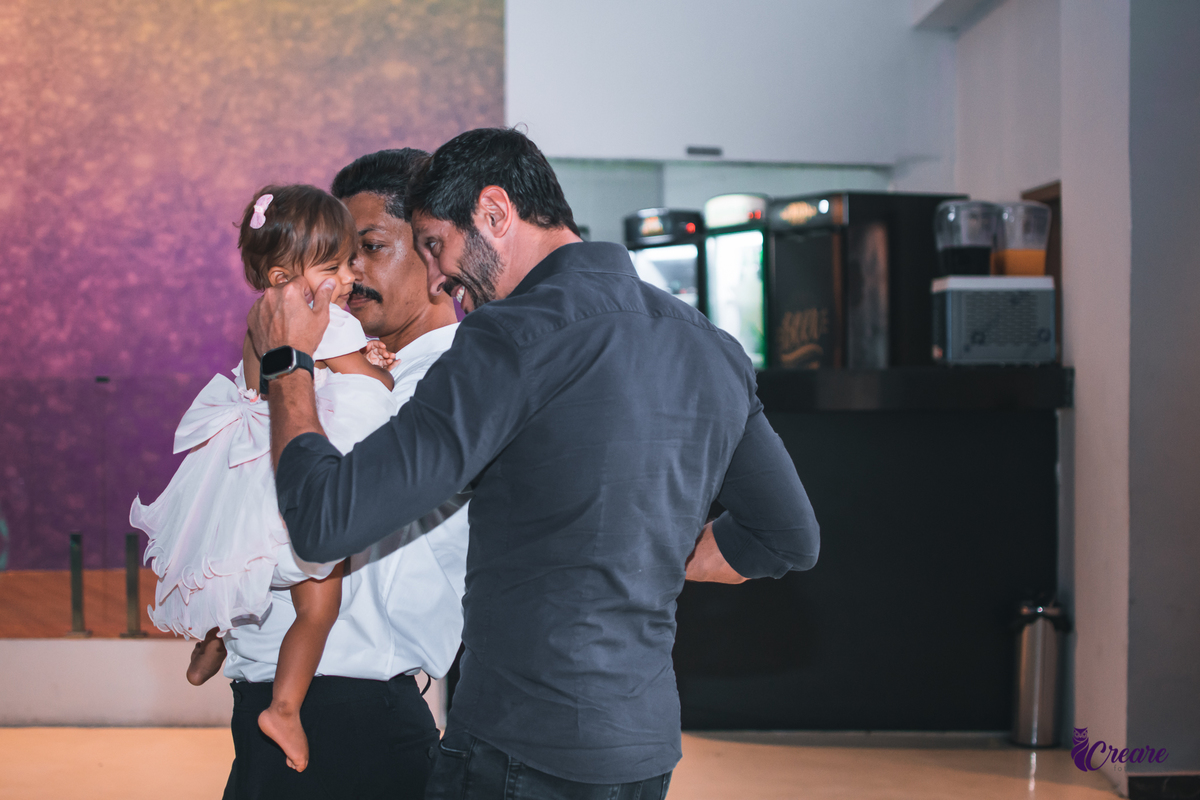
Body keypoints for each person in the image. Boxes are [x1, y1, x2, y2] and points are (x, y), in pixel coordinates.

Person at [248, 128, 820, 799]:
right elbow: (786, 536)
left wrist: (287, 363)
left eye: (436, 245)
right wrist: (654, 548)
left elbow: (325, 520)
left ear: (494, 212)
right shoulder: (710, 347)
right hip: (643, 754)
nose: (438, 277)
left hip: (519, 752)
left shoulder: (509, 337)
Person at [217, 151, 472, 800]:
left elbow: (329, 518)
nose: (350, 276)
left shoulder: (461, 383)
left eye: (371, 249)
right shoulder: (326, 366)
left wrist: (298, 363)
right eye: (335, 256)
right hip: (281, 698)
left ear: (438, 253)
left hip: (359, 703)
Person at [132, 184, 396, 774]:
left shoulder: (260, 318)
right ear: (282, 277)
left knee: (237, 560)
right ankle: (284, 707)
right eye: (334, 266)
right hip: (291, 477)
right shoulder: (322, 321)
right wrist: (379, 369)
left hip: (247, 474)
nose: (350, 277)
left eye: (350, 259)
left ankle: (213, 640)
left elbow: (264, 383)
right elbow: (374, 392)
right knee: (319, 605)